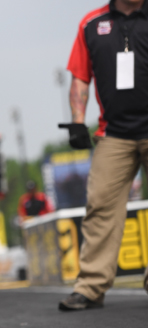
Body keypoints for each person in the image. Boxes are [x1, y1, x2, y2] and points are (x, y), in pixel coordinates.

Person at [59, 0, 148, 311]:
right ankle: (91, 287)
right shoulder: (91, 24)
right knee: (99, 206)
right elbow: (80, 76)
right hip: (114, 133)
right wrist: (77, 121)